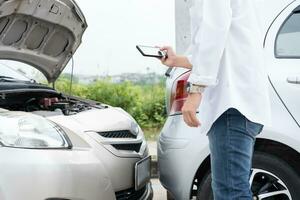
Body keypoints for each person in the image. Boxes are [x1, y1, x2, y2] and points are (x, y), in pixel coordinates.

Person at [159, 0, 271, 199]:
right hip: (241, 103)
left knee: (231, 193)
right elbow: (219, 44)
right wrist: (177, 60)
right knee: (234, 189)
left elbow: (214, 31)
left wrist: (195, 91)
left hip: (231, 104)